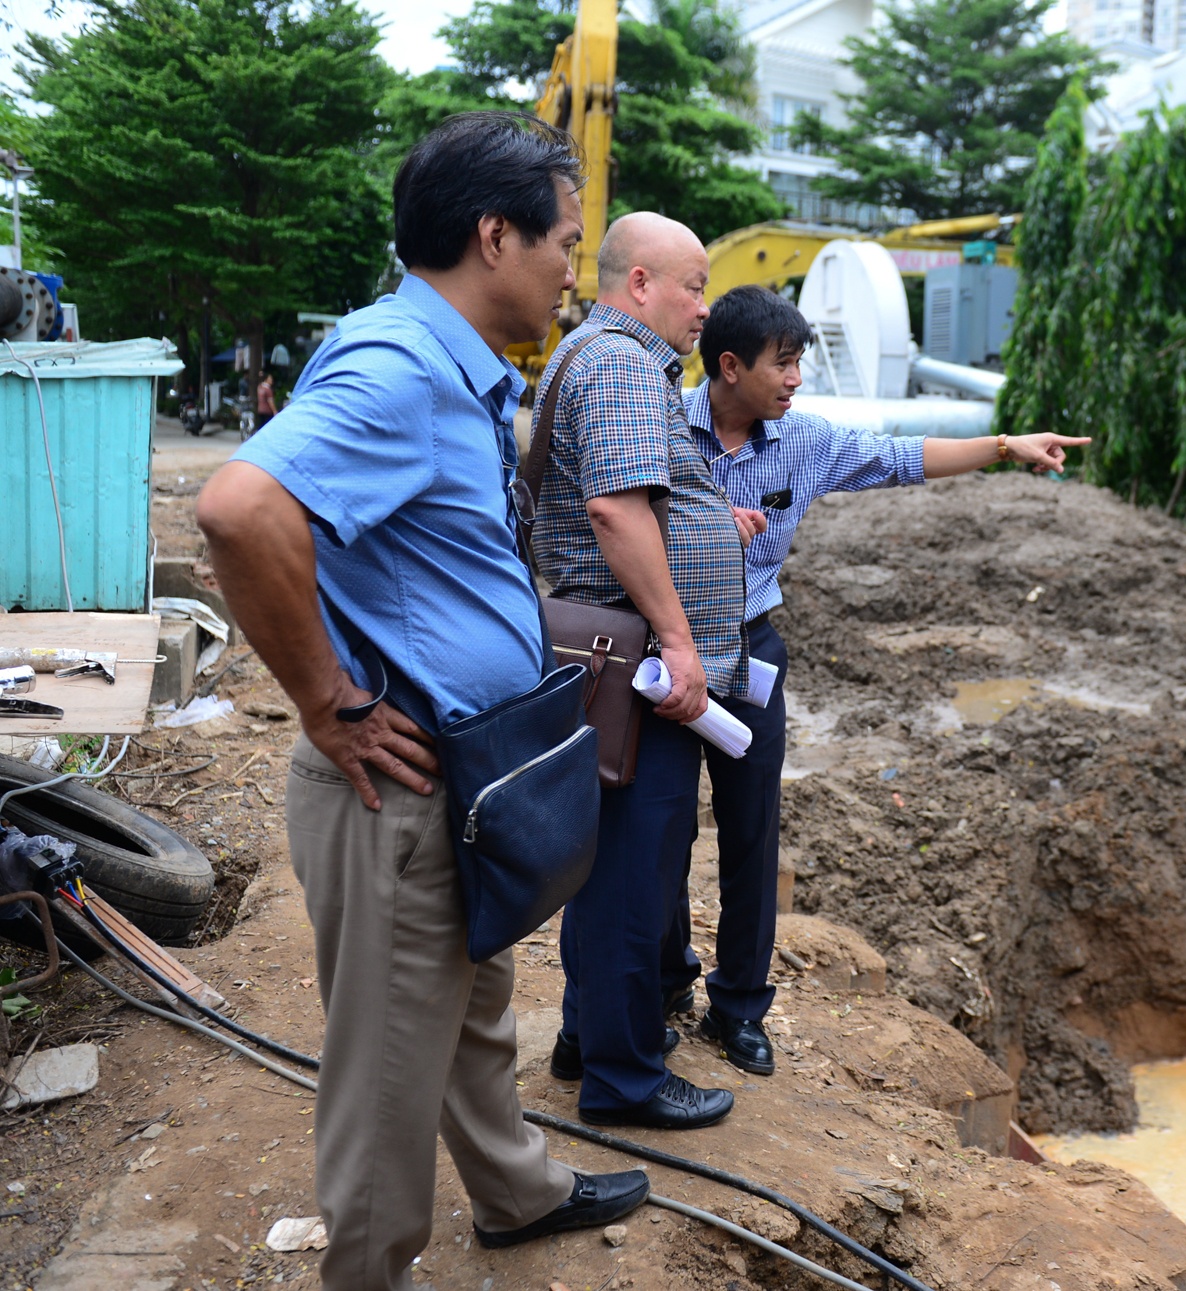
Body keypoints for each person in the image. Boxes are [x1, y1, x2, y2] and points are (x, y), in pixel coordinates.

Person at [194, 113, 649, 1291]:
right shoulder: (396, 368)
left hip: (468, 772)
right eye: (563, 242)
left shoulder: (449, 368)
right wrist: (326, 699)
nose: (570, 271)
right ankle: (369, 1269)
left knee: (474, 1000)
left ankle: (514, 1190)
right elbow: (242, 512)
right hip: (394, 781)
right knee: (391, 1061)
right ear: (494, 238)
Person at [668, 284, 1089, 1075]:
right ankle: (665, 983)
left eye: (800, 363)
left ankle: (738, 1007)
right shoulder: (660, 427)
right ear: (729, 366)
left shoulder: (803, 442)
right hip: (666, 651)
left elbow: (901, 458)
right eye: (783, 364)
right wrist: (698, 522)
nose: (795, 380)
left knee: (754, 831)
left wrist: (1004, 445)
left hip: (750, 650)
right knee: (662, 829)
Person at [530, 212, 761, 1125]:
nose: (705, 308)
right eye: (693, 286)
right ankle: (623, 1081)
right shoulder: (624, 362)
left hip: (610, 657)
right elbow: (617, 511)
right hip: (636, 664)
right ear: (638, 285)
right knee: (635, 872)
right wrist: (678, 640)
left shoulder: (599, 354)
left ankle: (590, 1034)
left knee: (608, 862)